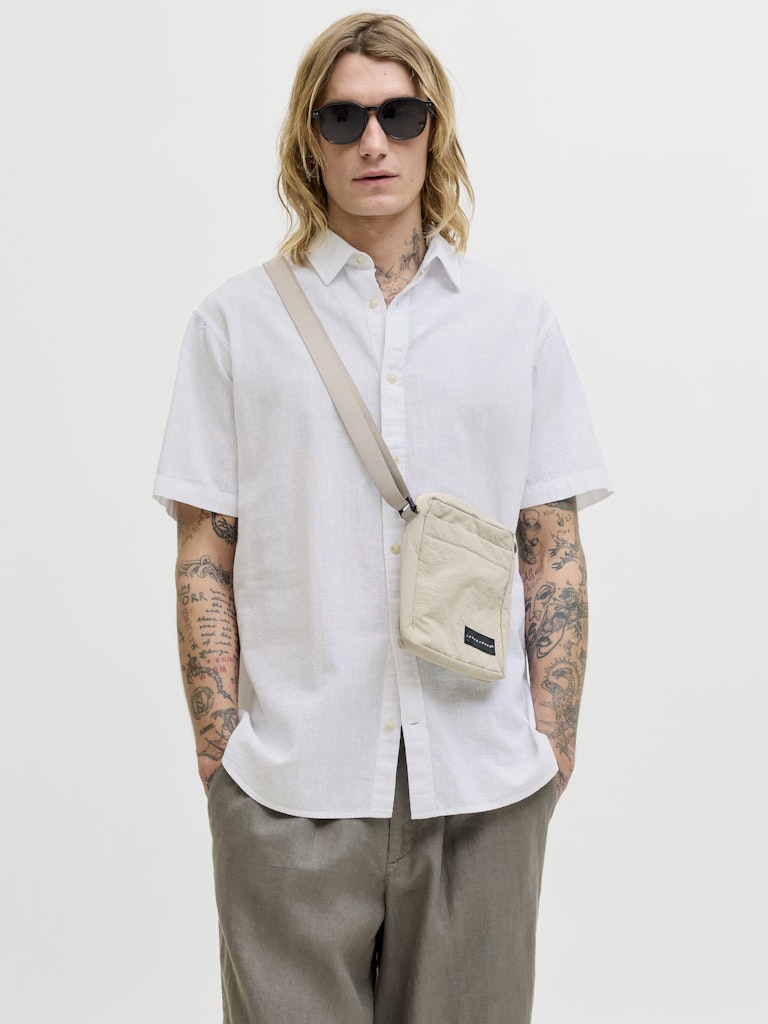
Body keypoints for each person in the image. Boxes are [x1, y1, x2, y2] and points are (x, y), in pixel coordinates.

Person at [154, 12, 612, 1024]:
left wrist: (552, 745)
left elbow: (552, 549)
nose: (373, 141)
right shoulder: (233, 325)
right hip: (289, 788)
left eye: (400, 115)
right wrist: (222, 759)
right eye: (344, 117)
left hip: (484, 791)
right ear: (308, 138)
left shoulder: (516, 322)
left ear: (432, 132)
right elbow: (203, 554)